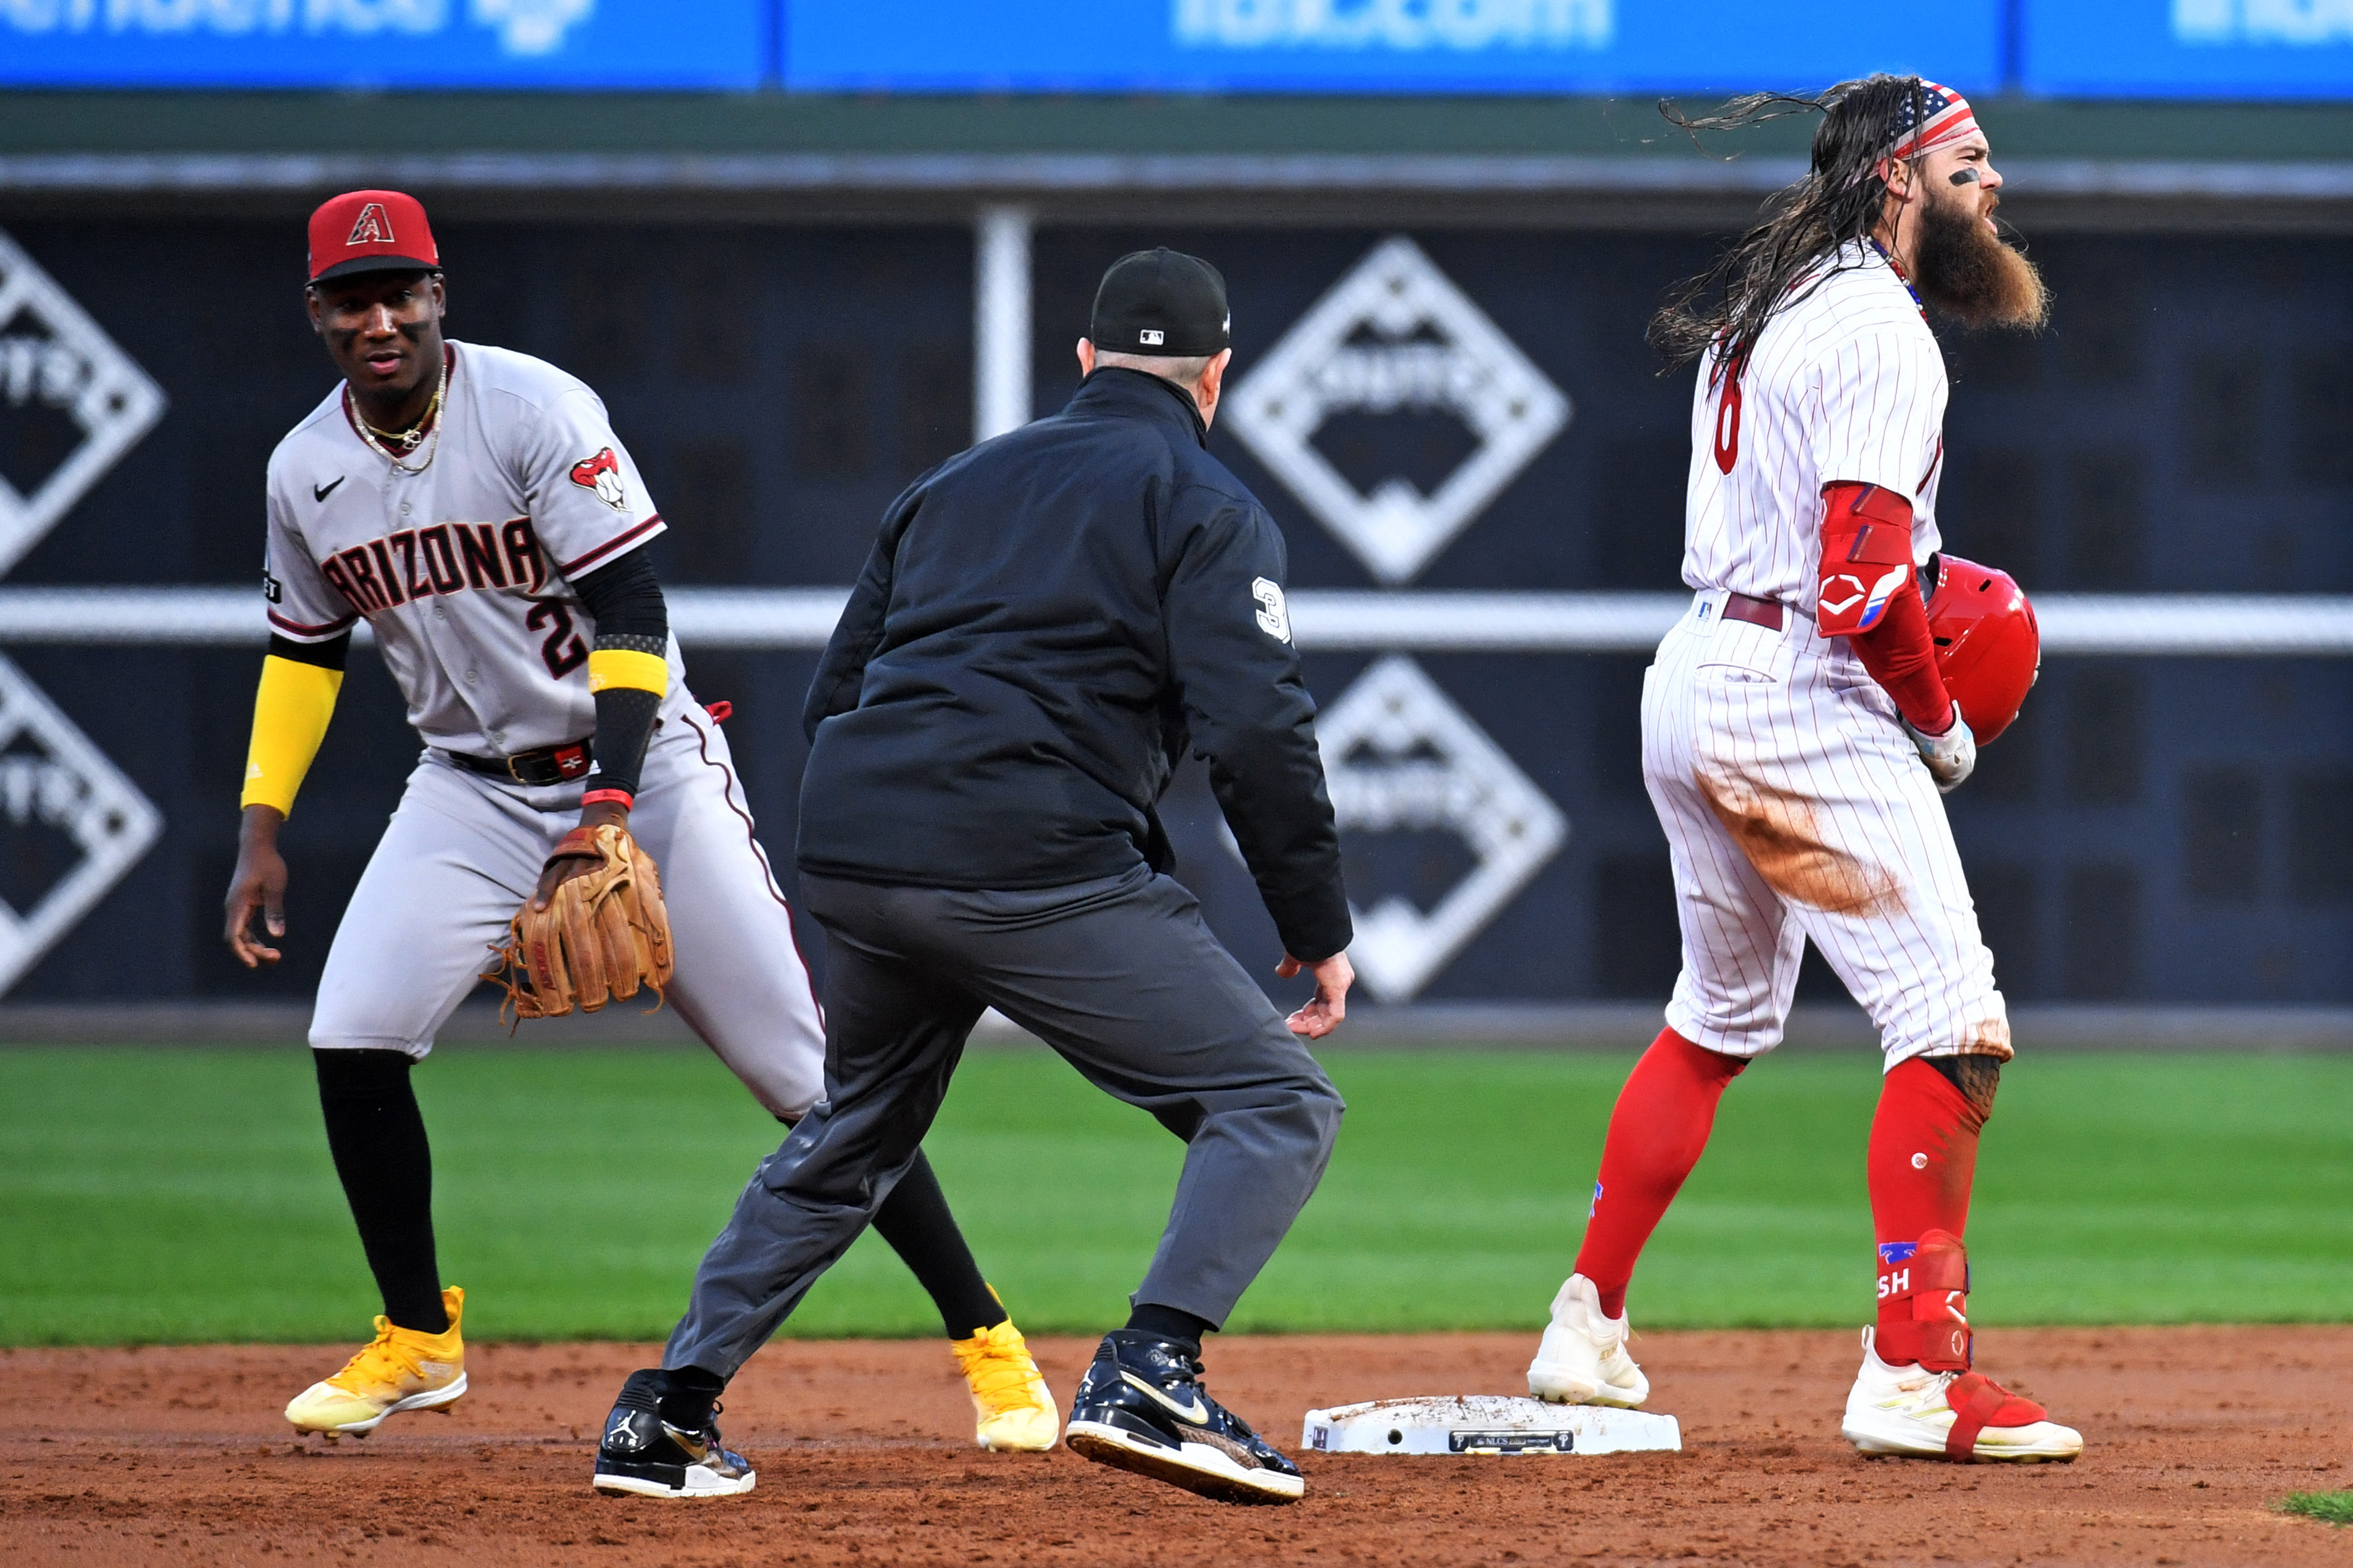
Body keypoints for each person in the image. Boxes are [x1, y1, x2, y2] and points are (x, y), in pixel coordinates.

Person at [223, 189, 1055, 1455]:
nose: (379, 318)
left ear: (440, 296)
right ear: (317, 315)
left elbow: (629, 601)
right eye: (352, 299)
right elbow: (303, 653)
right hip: (467, 785)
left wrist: (608, 799)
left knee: (807, 1081)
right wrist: (260, 823)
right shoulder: (304, 469)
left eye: (401, 292)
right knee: (353, 1034)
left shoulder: (532, 410)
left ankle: (989, 1344)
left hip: (643, 768)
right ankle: (417, 1339)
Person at [589, 248, 1354, 1506]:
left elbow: (838, 689)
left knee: (856, 1132)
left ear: (1083, 361)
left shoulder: (952, 481)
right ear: (1217, 375)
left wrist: (864, 848)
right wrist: (1314, 922)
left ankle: (664, 1411)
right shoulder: (1206, 502)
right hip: (1027, 855)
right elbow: (1257, 727)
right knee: (1275, 1105)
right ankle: (1153, 1365)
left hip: (858, 843)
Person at [1523, 79, 2083, 1463]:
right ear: (1898, 179)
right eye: (1967, 162)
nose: (1992, 183)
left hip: (1696, 670)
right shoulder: (1881, 331)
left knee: (1714, 1016)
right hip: (1797, 689)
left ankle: (1583, 1322)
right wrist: (1938, 723)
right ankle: (1912, 1372)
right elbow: (1861, 577)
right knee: (1952, 1017)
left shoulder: (1767, 305)